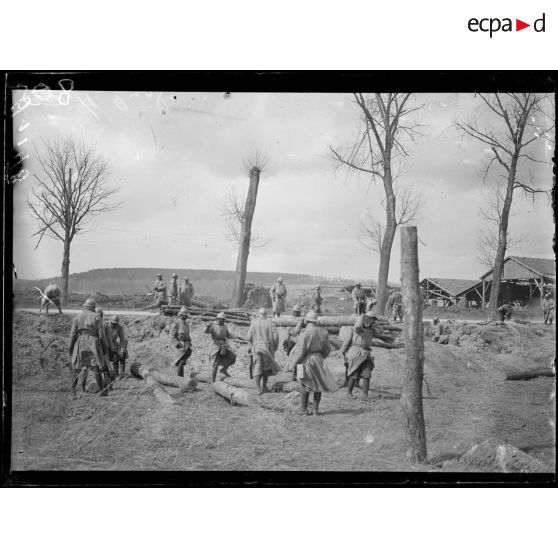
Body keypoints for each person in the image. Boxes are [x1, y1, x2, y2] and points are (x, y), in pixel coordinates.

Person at [288, 311, 339, 416]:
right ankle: (315, 410)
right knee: (318, 385)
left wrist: (292, 364)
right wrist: (320, 357)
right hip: (318, 360)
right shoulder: (324, 332)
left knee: (304, 384)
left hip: (305, 361)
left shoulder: (305, 332)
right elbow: (328, 349)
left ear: (307, 320)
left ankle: (303, 409)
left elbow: (300, 352)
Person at [68, 297, 110, 397]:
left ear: (85, 307)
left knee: (77, 367)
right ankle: (101, 391)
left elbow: (73, 335)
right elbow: (102, 335)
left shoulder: (77, 317)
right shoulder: (96, 317)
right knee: (95, 367)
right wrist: (105, 347)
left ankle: (73, 391)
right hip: (93, 343)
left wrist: (70, 348)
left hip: (80, 342)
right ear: (93, 307)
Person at [341, 312, 377, 400]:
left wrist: (375, 323)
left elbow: (381, 331)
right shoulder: (358, 329)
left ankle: (365, 395)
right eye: (367, 319)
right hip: (356, 353)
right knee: (354, 373)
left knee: (367, 374)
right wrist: (362, 316)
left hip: (366, 353)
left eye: (371, 319)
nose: (368, 321)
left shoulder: (372, 330)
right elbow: (357, 326)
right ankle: (349, 393)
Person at [247, 308, 281, 394]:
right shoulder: (271, 323)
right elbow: (275, 337)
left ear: (259, 314)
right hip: (268, 347)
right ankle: (264, 386)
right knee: (266, 367)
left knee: (257, 366)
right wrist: (275, 347)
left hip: (257, 347)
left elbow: (248, 337)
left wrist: (253, 344)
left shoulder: (254, 323)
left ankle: (258, 389)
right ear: (266, 314)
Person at [204, 312, 240, 383]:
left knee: (233, 357)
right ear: (218, 319)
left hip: (224, 345)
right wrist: (207, 326)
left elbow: (228, 335)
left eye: (223, 320)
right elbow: (206, 331)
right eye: (221, 319)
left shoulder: (225, 326)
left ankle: (223, 369)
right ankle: (213, 381)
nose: (223, 321)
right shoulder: (213, 326)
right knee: (216, 364)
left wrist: (236, 336)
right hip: (216, 346)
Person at [283, 305, 306, 378]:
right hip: (293, 342)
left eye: (296, 312)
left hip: (299, 343)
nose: (295, 313)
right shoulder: (291, 319)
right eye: (295, 312)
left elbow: (296, 331)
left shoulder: (302, 320)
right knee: (294, 360)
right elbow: (288, 330)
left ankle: (299, 376)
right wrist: (286, 340)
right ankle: (295, 375)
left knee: (299, 360)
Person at [169, 306, 192, 377]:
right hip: (180, 346)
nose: (185, 317)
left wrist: (189, 342)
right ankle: (180, 378)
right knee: (181, 362)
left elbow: (187, 334)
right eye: (184, 315)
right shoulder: (176, 323)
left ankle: (181, 377)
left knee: (184, 359)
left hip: (186, 345)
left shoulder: (187, 323)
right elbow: (171, 336)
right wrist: (176, 343)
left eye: (186, 316)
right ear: (180, 315)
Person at [95, 307, 115, 389]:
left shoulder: (89, 323)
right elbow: (108, 339)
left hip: (92, 348)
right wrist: (111, 349)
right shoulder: (105, 324)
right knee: (106, 367)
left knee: (94, 368)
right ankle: (108, 385)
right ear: (102, 315)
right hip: (102, 348)